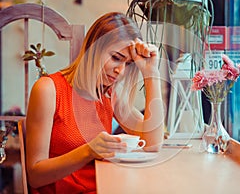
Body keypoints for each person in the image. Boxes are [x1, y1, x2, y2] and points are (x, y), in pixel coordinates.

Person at [25, 12, 165, 193]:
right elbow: (35, 177)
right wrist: (88, 151)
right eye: (116, 58)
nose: (121, 71)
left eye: (128, 64)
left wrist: (151, 73)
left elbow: (152, 143)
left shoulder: (108, 94)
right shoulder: (48, 89)